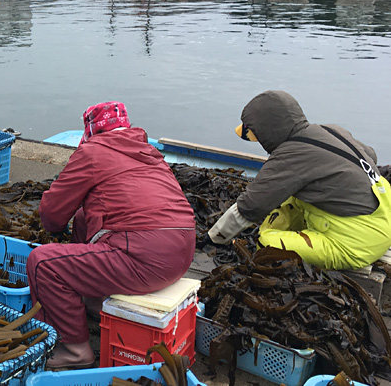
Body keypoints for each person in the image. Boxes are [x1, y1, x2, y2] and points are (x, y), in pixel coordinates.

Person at [26, 102, 196, 369]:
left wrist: (55, 231)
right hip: (182, 253)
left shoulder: (92, 152)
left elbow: (51, 214)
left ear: (91, 131)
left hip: (145, 260)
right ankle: (93, 302)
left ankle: (74, 351)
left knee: (43, 263)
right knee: (84, 217)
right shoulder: (148, 151)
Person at [208, 90, 391, 270]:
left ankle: (283, 239)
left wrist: (214, 239)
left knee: (266, 246)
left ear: (268, 132)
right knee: (290, 196)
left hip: (358, 243)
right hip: (384, 212)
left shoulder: (290, 155)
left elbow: (251, 206)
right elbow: (371, 156)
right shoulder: (331, 130)